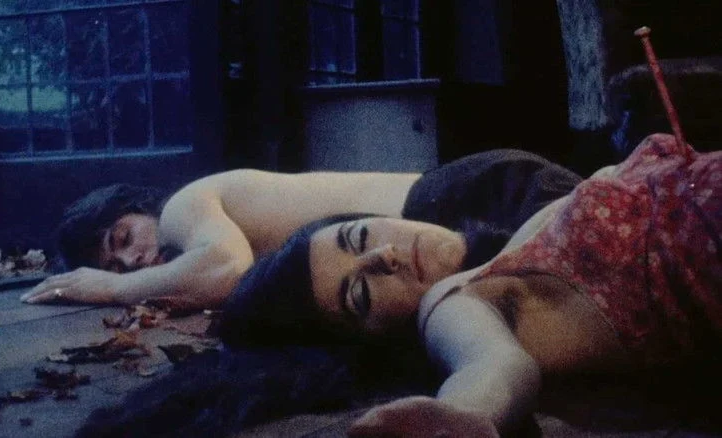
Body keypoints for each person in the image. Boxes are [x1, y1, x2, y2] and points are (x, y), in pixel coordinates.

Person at [219, 133, 722, 436]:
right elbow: (492, 365)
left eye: (361, 236)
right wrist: (458, 416)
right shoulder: (457, 301)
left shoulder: (508, 189)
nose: (384, 256)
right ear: (380, 342)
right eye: (361, 294)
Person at [20, 149, 581, 308]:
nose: (134, 261)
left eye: (122, 239)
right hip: (452, 216)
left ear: (139, 208)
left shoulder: (182, 208)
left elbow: (225, 268)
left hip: (468, 198)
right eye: (117, 266)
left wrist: (111, 288)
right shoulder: (186, 248)